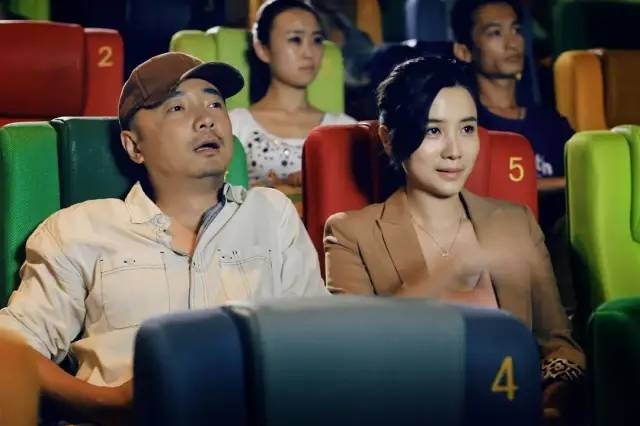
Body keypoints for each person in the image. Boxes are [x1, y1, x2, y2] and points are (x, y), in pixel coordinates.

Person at [0, 52, 326, 424]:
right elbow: (9, 350)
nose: (206, 119)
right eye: (177, 108)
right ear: (134, 146)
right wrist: (106, 402)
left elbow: (319, 340)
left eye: (215, 104)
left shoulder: (271, 214)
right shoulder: (80, 230)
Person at [324, 57, 585, 425]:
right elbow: (357, 357)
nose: (454, 150)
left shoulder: (515, 222)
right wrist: (451, 270)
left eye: (467, 129)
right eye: (433, 130)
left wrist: (553, 400)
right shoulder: (351, 233)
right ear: (387, 138)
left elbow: (560, 346)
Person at [230, 0, 355, 212]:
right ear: (262, 49)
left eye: (317, 40)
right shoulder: (234, 125)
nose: (309, 53)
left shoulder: (345, 128)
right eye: (295, 39)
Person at [451, 0, 572, 186]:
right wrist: (568, 183)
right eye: (495, 33)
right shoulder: (464, 128)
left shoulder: (551, 124)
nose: (512, 44)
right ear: (464, 52)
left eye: (516, 30)